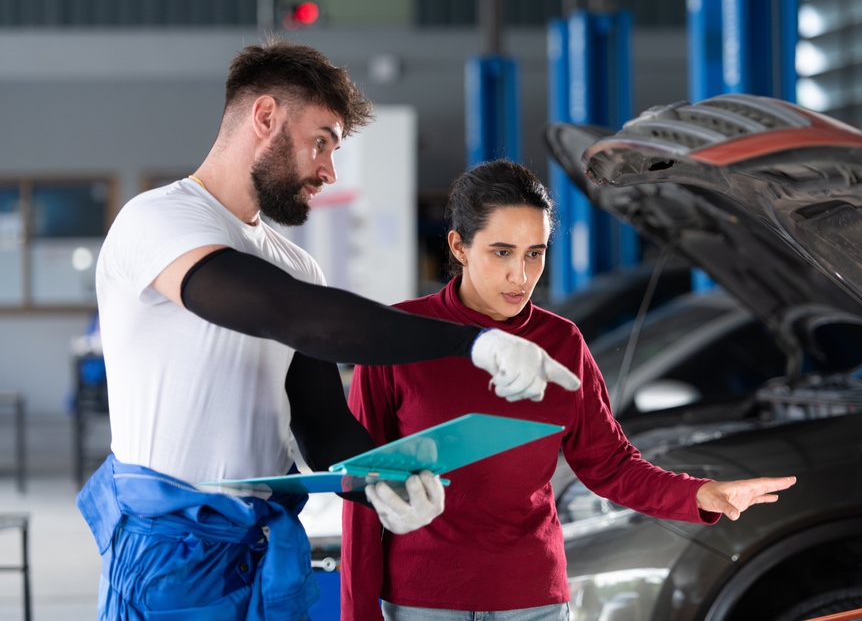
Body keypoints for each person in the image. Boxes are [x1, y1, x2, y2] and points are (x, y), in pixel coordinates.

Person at [76, 39, 580, 621]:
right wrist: (474, 341)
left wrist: (387, 481)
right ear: (265, 117)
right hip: (169, 557)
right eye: (322, 142)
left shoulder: (295, 264)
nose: (328, 170)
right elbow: (290, 314)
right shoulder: (158, 220)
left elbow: (323, 428)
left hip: (264, 551)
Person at [341, 160, 796, 621]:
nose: (521, 275)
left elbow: (611, 466)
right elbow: (360, 488)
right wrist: (357, 614)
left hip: (533, 600)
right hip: (421, 603)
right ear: (459, 245)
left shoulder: (561, 343)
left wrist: (702, 494)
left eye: (534, 253)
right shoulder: (396, 336)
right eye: (502, 252)